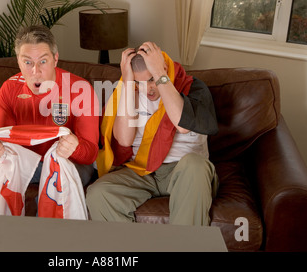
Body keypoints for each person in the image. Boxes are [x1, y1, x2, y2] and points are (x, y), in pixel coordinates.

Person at [0, 25, 99, 214]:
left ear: (55, 59)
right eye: (27, 62)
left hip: (69, 161)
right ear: (18, 62)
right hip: (24, 161)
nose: (35, 71)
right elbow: (1, 145)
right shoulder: (9, 89)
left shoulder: (80, 89)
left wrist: (75, 147)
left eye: (43, 61)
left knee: (52, 189)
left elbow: (90, 153)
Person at [87, 42, 219, 226]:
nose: (147, 89)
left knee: (195, 165)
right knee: (98, 194)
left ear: (163, 68)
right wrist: (126, 82)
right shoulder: (130, 91)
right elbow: (124, 140)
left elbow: (183, 124)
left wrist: (160, 75)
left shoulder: (193, 87)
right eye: (138, 82)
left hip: (182, 171)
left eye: (150, 80)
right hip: (142, 171)